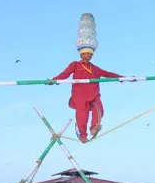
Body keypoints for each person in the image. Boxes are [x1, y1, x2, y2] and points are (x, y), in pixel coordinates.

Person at [47, 13, 124, 143]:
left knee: (99, 108)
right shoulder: (75, 65)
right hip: (80, 96)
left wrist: (122, 78)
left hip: (93, 95)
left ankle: (94, 127)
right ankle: (82, 134)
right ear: (82, 54)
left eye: (90, 54)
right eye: (87, 53)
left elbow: (107, 74)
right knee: (82, 115)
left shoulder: (94, 68)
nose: (89, 55)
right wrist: (54, 80)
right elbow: (64, 74)